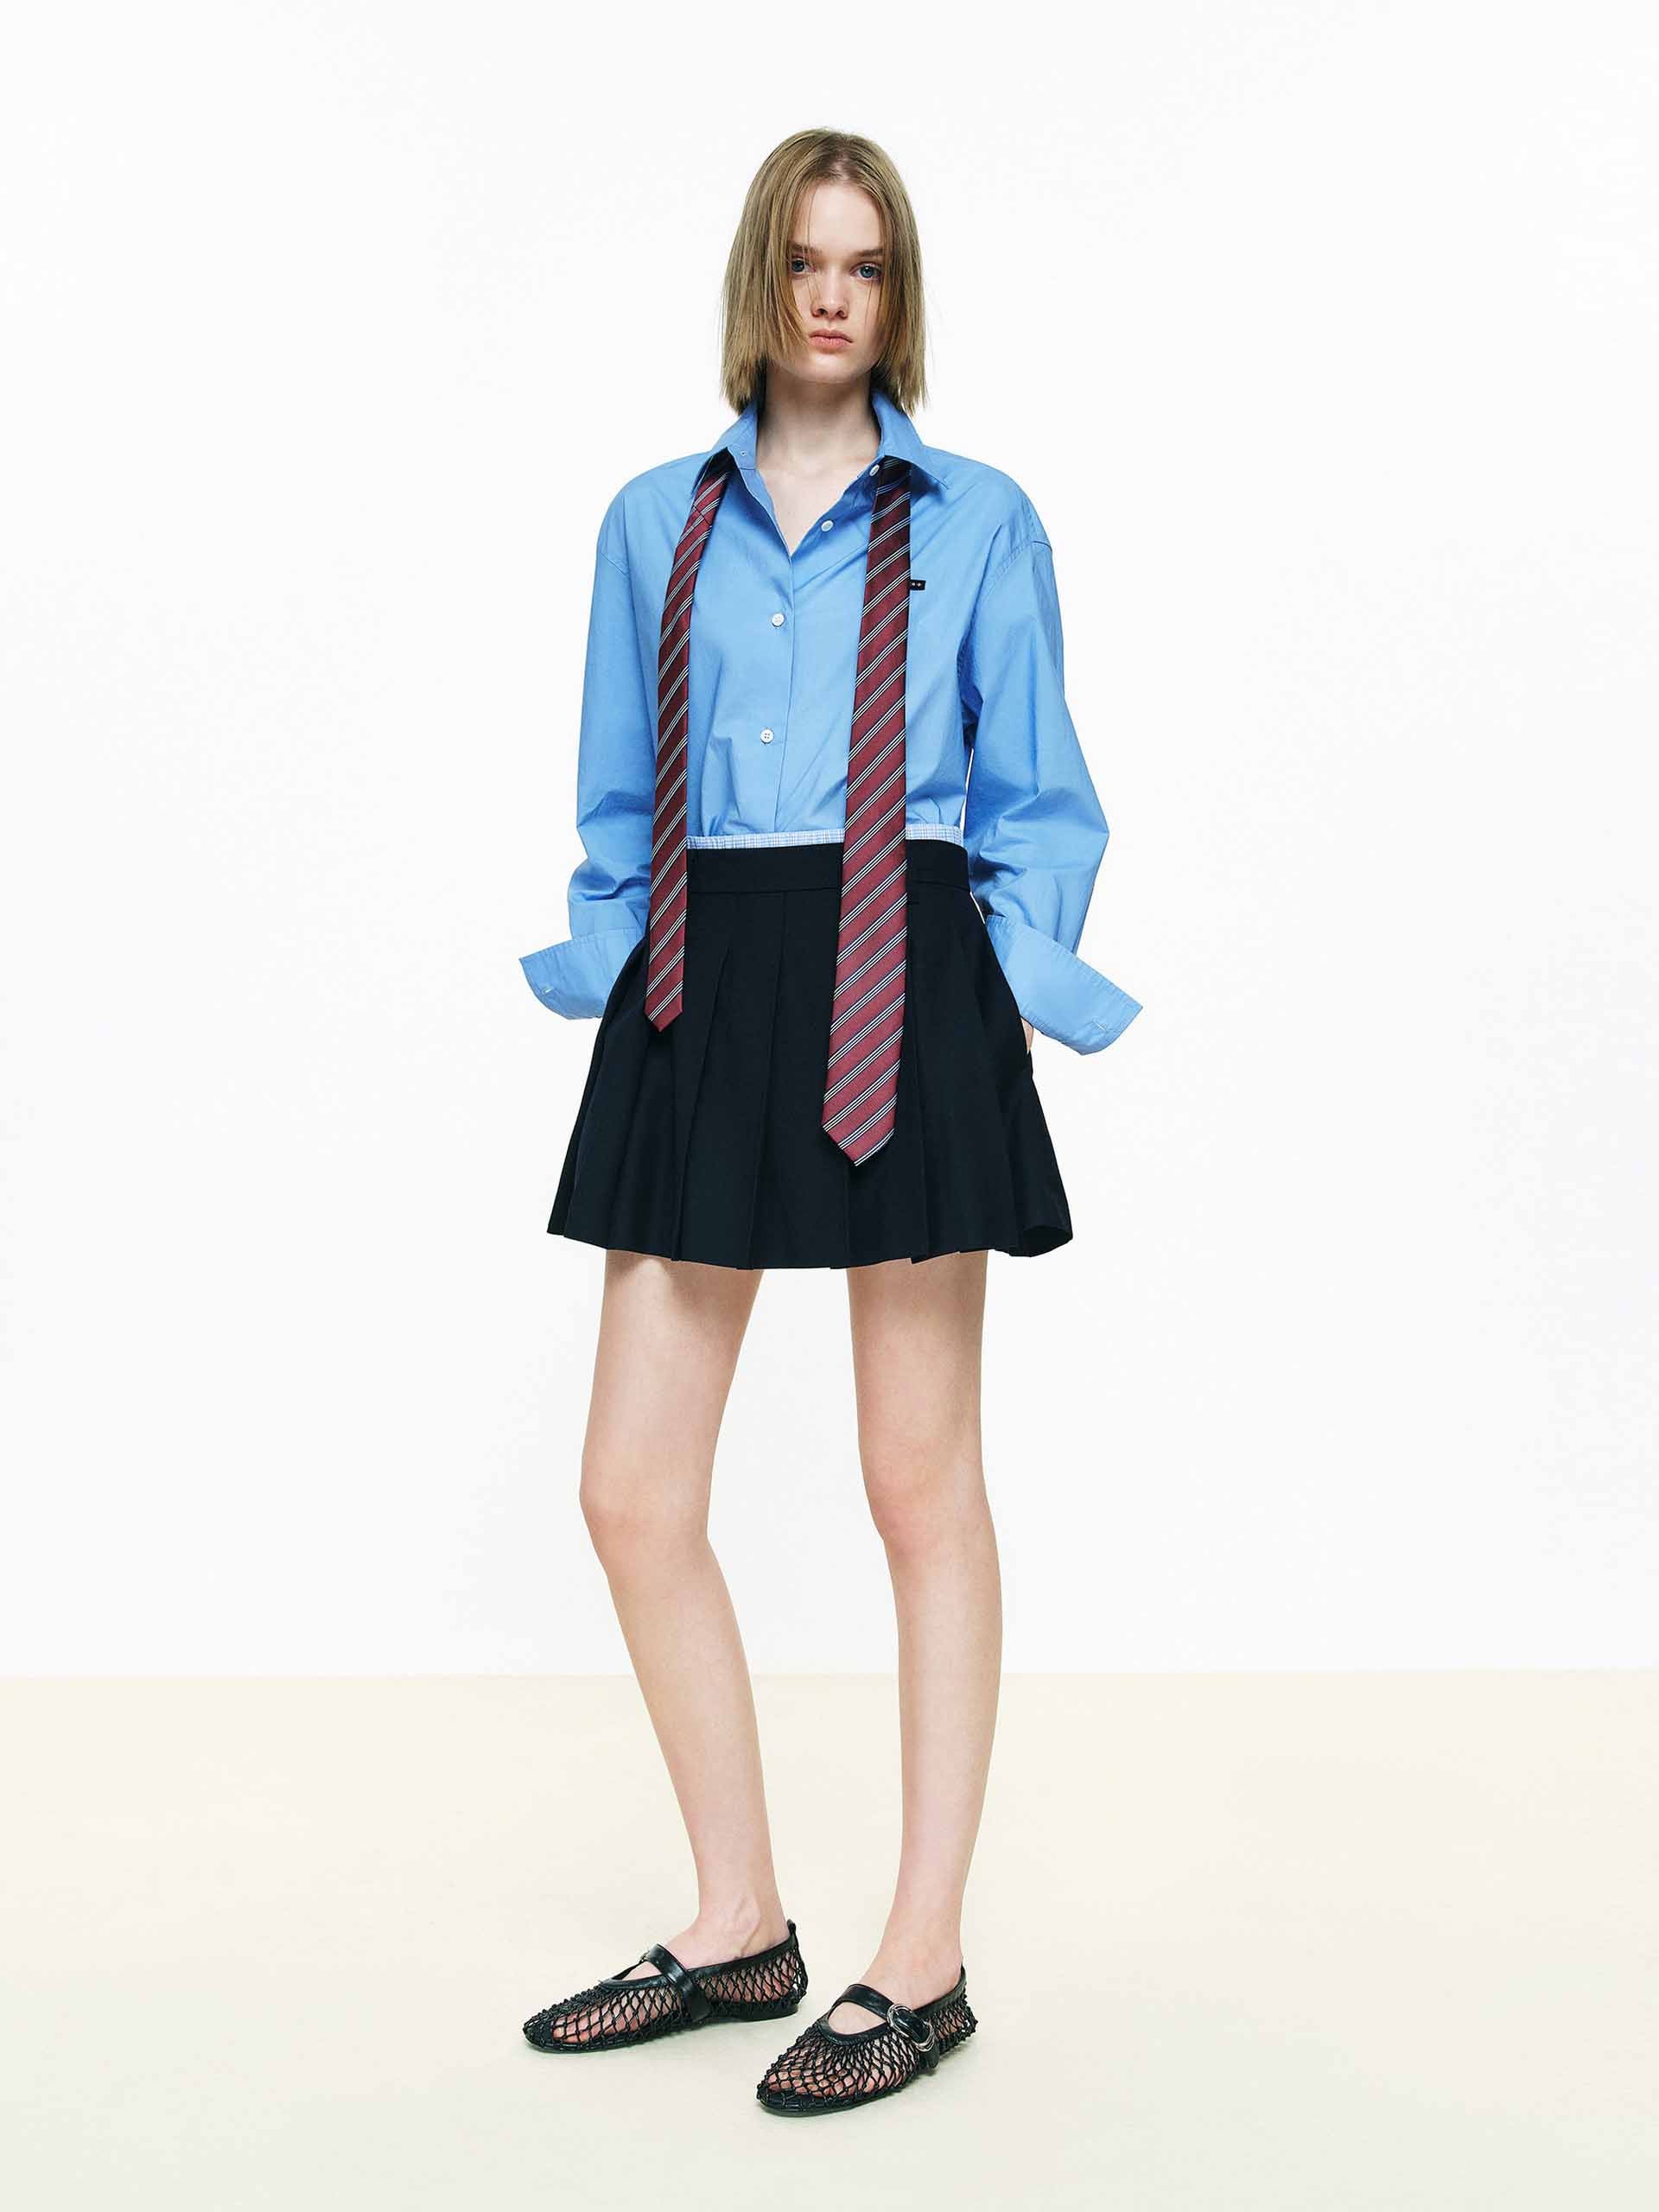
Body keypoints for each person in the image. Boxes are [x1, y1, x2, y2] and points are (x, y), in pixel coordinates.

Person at [516, 128, 1141, 2117]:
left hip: (898, 951)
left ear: (899, 289)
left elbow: (1035, 790)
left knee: (915, 1477)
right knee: (633, 1484)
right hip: (707, 967)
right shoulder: (653, 521)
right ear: (761, 277)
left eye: (866, 263)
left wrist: (1002, 981)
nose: (833, 294)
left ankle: (922, 1955)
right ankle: (737, 1923)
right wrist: (611, 957)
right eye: (805, 258)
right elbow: (620, 793)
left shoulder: (981, 519)